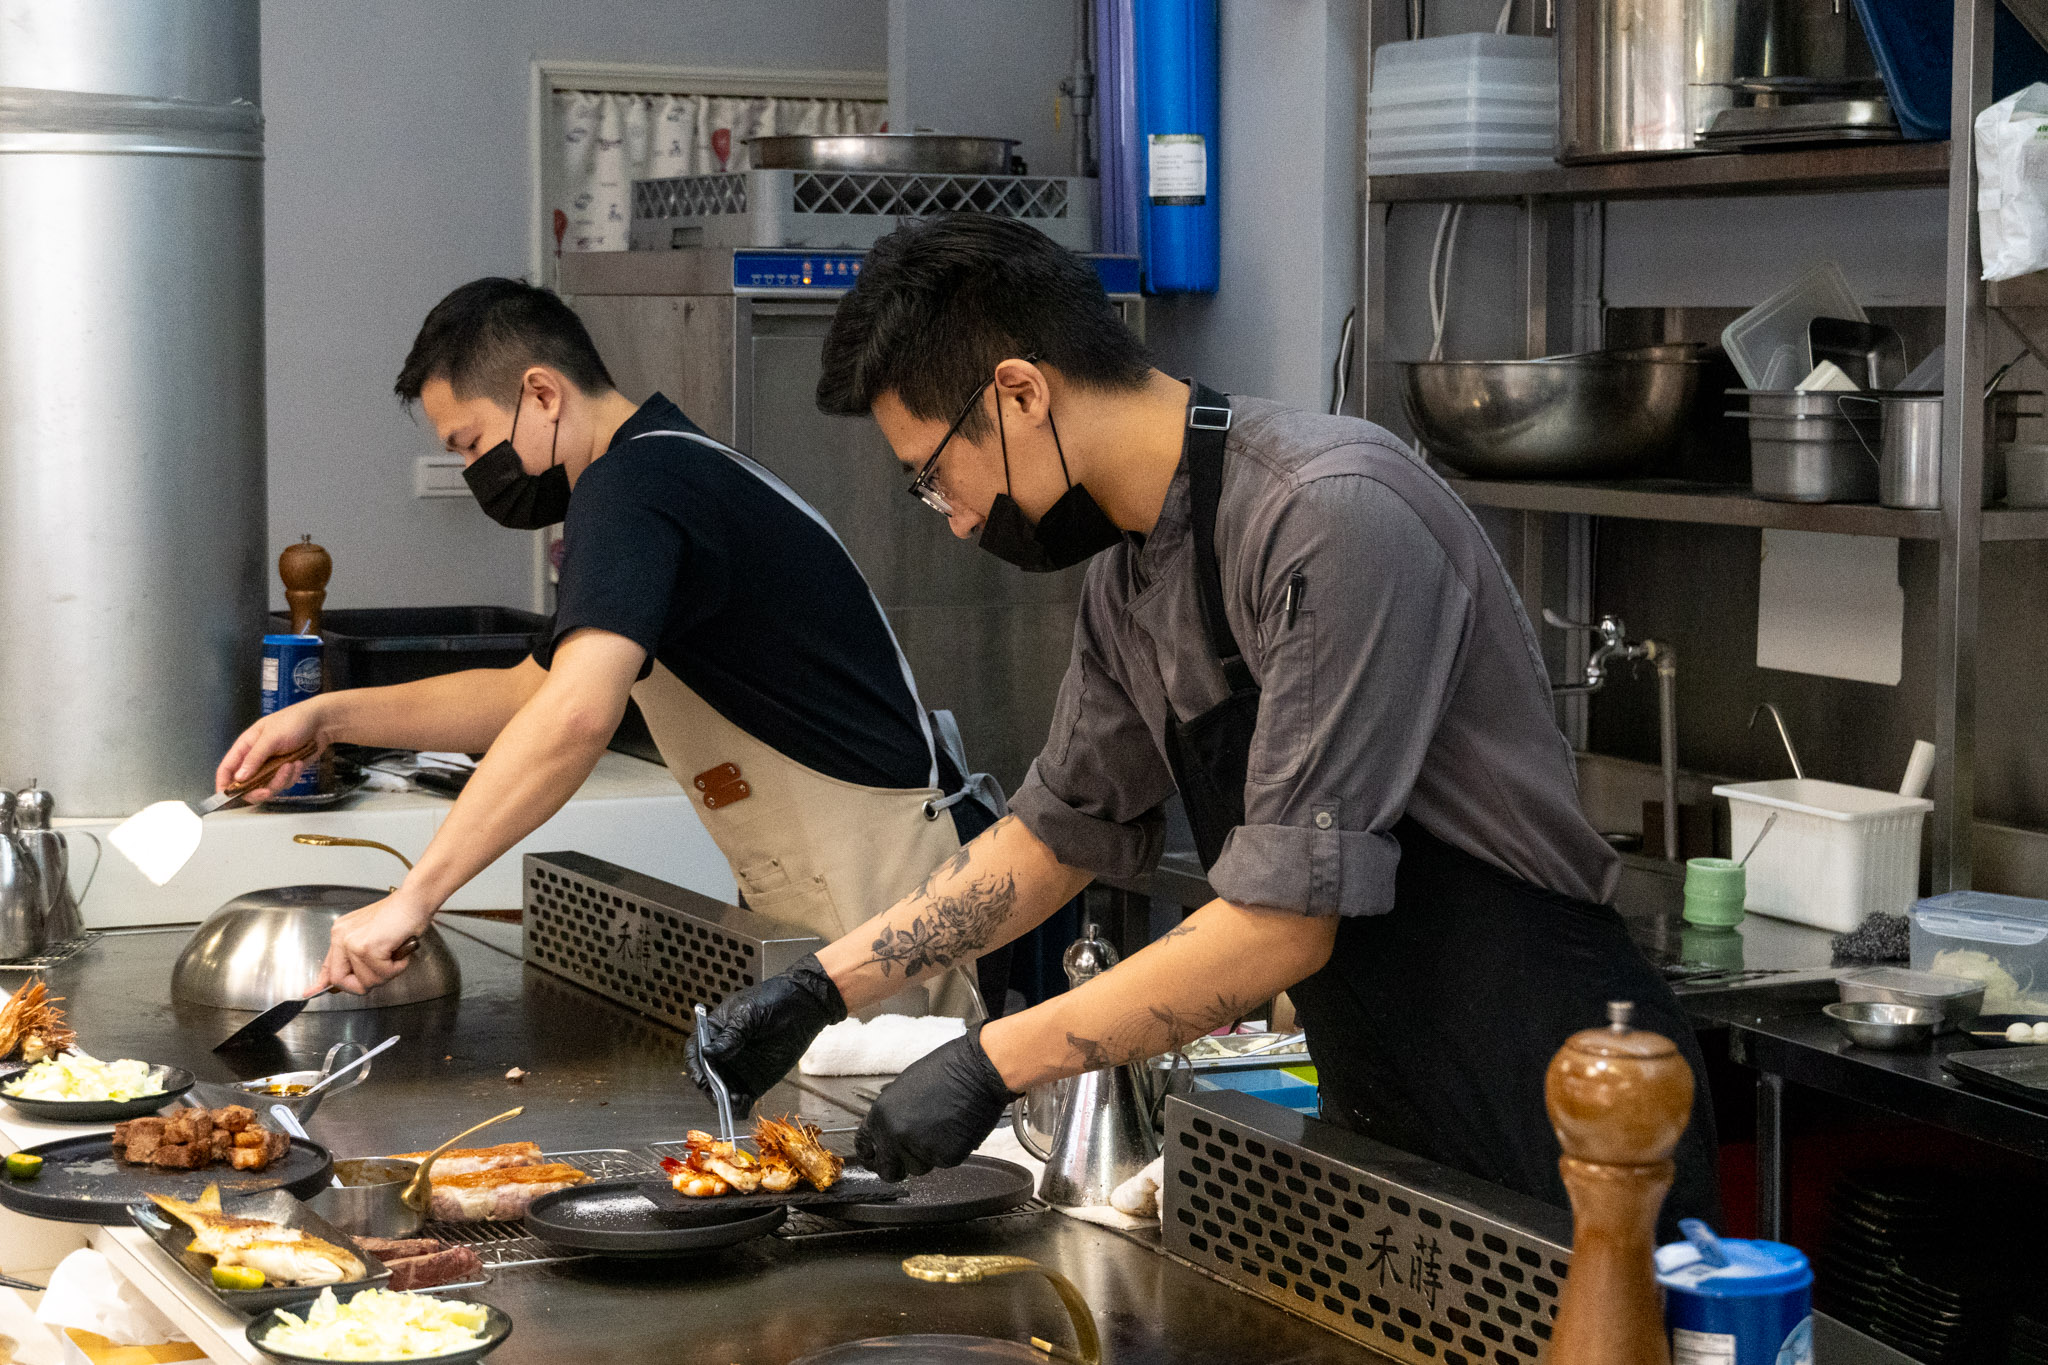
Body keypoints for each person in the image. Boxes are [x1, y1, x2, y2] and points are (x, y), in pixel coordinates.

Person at [690, 215, 1720, 1236]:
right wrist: (821, 989)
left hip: (1567, 1098)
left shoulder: (1325, 514)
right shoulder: (1137, 569)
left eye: (932, 475)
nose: (954, 517)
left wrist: (990, 1060)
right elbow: (1056, 837)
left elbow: (1281, 921)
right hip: (1388, 1090)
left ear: (1017, 393)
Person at [217, 277, 998, 1018]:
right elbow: (533, 691)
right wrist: (328, 717)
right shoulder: (658, 468)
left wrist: (415, 896)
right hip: (847, 879)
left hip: (882, 880)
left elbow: (576, 717)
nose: (471, 471)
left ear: (543, 393)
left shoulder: (631, 486)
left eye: (471, 443)